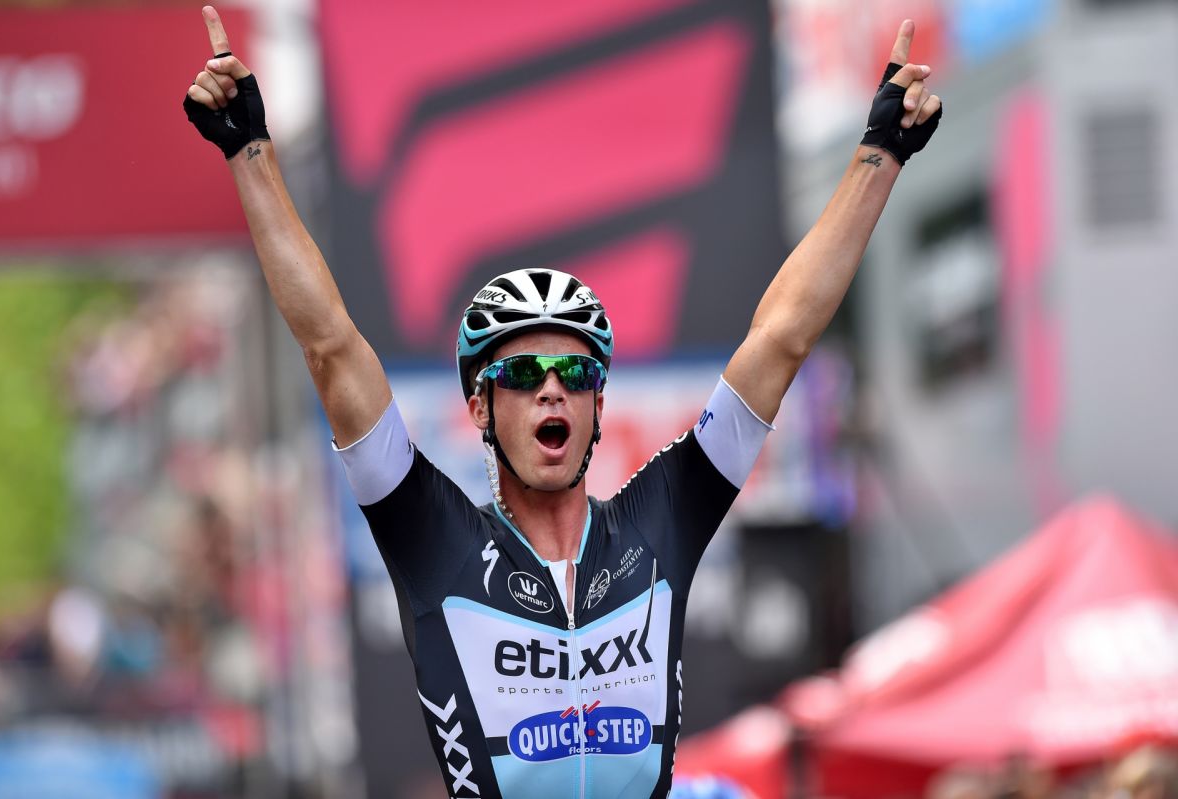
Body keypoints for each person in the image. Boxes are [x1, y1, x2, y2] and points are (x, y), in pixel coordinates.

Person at [182, 6, 942, 797]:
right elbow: (331, 346)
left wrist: (879, 154)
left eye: (575, 374)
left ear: (596, 407)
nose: (552, 386)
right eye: (522, 374)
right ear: (480, 408)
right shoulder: (436, 539)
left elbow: (780, 339)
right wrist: (249, 151)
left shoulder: (659, 523)